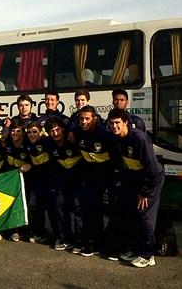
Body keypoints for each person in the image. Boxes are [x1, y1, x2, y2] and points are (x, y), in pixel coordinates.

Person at [105, 108, 164, 268]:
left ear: (126, 123)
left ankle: (148, 254)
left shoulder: (139, 138)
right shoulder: (116, 138)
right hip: (134, 179)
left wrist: (145, 192)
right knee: (128, 212)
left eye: (117, 123)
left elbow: (151, 169)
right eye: (111, 123)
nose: (114, 126)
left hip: (150, 180)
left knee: (143, 214)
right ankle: (134, 248)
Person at [71, 105, 115, 256]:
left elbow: (115, 157)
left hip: (104, 178)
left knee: (97, 211)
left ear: (94, 119)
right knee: (85, 209)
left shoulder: (105, 135)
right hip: (86, 178)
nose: (84, 122)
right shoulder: (76, 131)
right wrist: (71, 131)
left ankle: (96, 243)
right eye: (81, 119)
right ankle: (87, 241)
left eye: (87, 119)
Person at [44, 116, 83, 251]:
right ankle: (65, 238)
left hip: (79, 181)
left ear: (63, 129)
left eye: (57, 130)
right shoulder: (48, 143)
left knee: (79, 209)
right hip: (61, 182)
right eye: (52, 131)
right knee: (59, 205)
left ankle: (80, 240)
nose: (55, 133)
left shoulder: (73, 138)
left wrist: (72, 130)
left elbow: (82, 128)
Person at [1, 118, 31, 242]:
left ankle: (28, 231)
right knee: (12, 204)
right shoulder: (7, 143)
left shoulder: (28, 144)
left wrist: (29, 165)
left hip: (27, 179)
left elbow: (34, 161)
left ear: (23, 132)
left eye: (18, 131)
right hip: (11, 180)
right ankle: (14, 231)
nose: (15, 134)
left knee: (28, 205)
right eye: (13, 131)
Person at [25, 122, 51, 243]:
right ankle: (39, 231)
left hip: (51, 180)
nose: (32, 135)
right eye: (29, 132)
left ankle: (59, 236)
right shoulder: (28, 145)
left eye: (34, 132)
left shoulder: (47, 142)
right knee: (34, 205)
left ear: (41, 132)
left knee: (53, 208)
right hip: (36, 181)